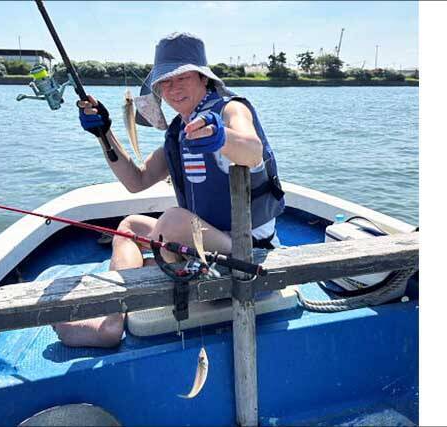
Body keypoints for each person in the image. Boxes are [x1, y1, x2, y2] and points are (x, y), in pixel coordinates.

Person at [53, 32, 285, 347]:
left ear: (203, 78)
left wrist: (220, 136)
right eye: (165, 82)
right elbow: (136, 180)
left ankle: (133, 292)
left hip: (248, 251)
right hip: (207, 242)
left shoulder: (231, 110)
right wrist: (103, 133)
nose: (173, 88)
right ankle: (110, 320)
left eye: (182, 77)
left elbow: (252, 150)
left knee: (174, 221)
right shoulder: (179, 132)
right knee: (129, 225)